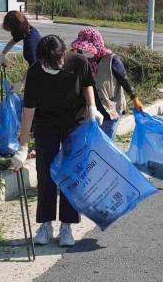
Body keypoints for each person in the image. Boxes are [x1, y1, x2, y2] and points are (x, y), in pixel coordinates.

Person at [10, 35, 102, 247]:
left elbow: (88, 84)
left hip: (74, 124)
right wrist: (22, 147)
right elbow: (28, 111)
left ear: (63, 55)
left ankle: (67, 225)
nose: (51, 66)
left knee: (71, 175)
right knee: (46, 175)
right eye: (45, 63)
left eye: (55, 62)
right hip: (46, 126)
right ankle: (45, 224)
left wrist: (92, 107)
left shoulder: (79, 62)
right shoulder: (35, 71)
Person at [69, 28, 143, 139]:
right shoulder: (81, 61)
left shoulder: (112, 60)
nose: (83, 52)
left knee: (105, 146)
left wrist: (135, 99)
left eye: (86, 49)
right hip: (90, 112)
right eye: (81, 50)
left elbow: (124, 80)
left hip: (109, 110)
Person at [0, 11, 42, 91]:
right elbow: (13, 41)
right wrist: (3, 54)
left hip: (43, 75)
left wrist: (21, 83)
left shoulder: (30, 42)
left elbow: (34, 66)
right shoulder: (29, 31)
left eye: (11, 30)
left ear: (15, 28)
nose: (11, 33)